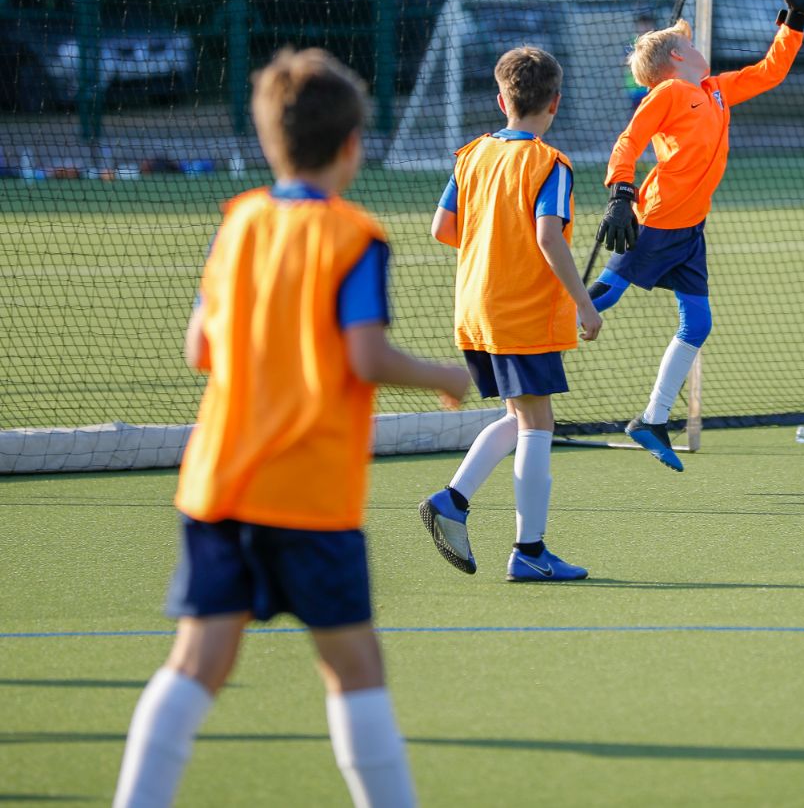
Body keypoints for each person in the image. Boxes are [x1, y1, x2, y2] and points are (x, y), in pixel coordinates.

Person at [114, 48, 472, 808]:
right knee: (354, 668)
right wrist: (444, 374)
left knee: (197, 661)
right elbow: (365, 354)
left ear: (271, 141)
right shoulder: (354, 237)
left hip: (218, 482)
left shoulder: (237, 220)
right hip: (307, 492)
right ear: (352, 147)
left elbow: (197, 347)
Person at [589, 0, 804, 472]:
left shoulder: (716, 89)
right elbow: (629, 139)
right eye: (687, 43)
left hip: (690, 229)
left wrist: (796, 17)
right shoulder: (671, 92)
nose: (697, 46)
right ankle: (535, 330)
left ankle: (652, 420)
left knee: (697, 323)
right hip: (657, 219)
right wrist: (620, 194)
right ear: (678, 58)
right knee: (604, 296)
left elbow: (772, 71)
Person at [419, 47, 600, 582]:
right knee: (539, 421)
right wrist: (585, 304)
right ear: (555, 104)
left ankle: (452, 500)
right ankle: (530, 549)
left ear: (502, 100)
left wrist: (495, 250)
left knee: (517, 417)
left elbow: (442, 229)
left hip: (476, 311)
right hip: (522, 315)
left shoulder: (471, 153)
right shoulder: (551, 163)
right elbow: (548, 236)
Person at [624, 12, 658, 113]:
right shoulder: (631, 44)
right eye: (642, 24)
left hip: (654, 88)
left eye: (647, 24)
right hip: (636, 90)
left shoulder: (658, 42)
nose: (645, 27)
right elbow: (627, 63)